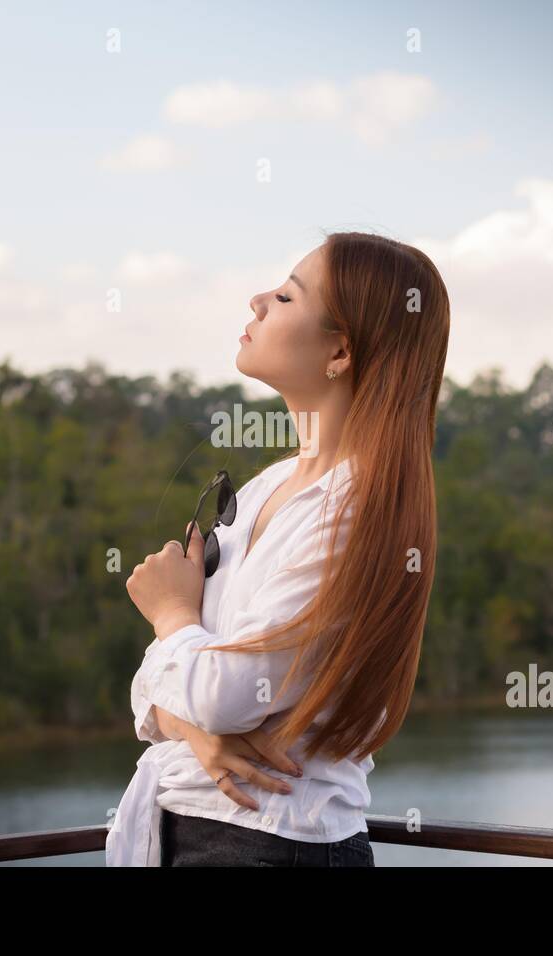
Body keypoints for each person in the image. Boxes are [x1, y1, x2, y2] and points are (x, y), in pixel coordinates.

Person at [106, 230, 451, 866]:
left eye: (287, 296)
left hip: (268, 843)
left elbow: (220, 693)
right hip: (198, 831)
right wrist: (202, 737)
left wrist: (171, 615)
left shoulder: (351, 515)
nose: (258, 300)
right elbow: (151, 695)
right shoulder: (268, 489)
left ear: (340, 350)